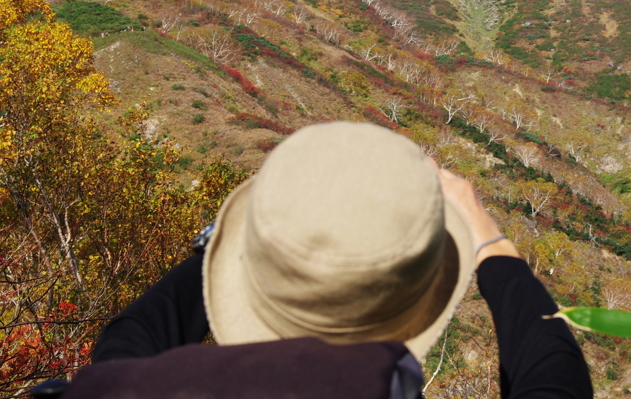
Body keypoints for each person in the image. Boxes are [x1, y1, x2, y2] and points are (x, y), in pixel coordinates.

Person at [39, 122, 592, 398]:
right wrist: (485, 235)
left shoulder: (114, 390)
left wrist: (239, 237)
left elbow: (127, 344)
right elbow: (554, 374)